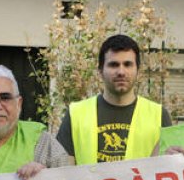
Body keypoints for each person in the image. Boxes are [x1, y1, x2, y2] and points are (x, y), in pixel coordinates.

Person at [56, 34, 172, 164]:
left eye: (128, 64)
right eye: (113, 65)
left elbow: (165, 171)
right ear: (100, 70)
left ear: (138, 71)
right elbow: (62, 174)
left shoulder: (159, 115)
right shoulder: (76, 114)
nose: (121, 72)